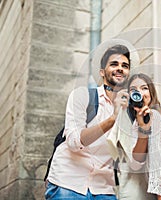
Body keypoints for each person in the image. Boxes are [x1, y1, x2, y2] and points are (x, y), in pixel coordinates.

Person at [44, 39, 140, 199]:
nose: (120, 69)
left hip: (103, 188)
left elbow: (133, 157)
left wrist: (144, 124)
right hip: (68, 182)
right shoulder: (82, 96)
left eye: (125, 66)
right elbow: (74, 142)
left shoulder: (129, 110)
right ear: (102, 72)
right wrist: (112, 119)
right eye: (114, 64)